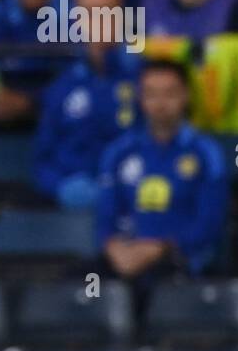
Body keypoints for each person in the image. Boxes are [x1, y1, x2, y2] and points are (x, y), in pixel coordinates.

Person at [95, 59, 228, 283]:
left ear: (186, 96)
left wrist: (159, 249)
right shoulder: (119, 152)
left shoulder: (206, 152)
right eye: (151, 94)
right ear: (141, 98)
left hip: (181, 261)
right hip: (126, 260)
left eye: (169, 94)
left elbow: (210, 224)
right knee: (78, 283)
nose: (160, 103)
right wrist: (114, 248)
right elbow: (106, 217)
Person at [33, 0, 142, 209]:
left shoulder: (145, 79)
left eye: (109, 12)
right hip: (74, 209)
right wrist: (61, 187)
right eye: (90, 13)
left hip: (136, 204)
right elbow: (41, 162)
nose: (100, 21)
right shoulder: (62, 86)